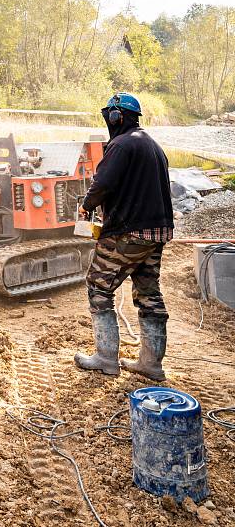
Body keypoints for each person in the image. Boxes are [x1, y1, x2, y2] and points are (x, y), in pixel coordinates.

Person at [74, 93, 174, 381]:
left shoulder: (120, 145)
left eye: (109, 115)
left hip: (127, 232)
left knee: (98, 286)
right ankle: (151, 364)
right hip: (156, 233)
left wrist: (85, 206)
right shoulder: (153, 145)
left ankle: (106, 358)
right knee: (149, 295)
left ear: (116, 117)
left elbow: (103, 183)